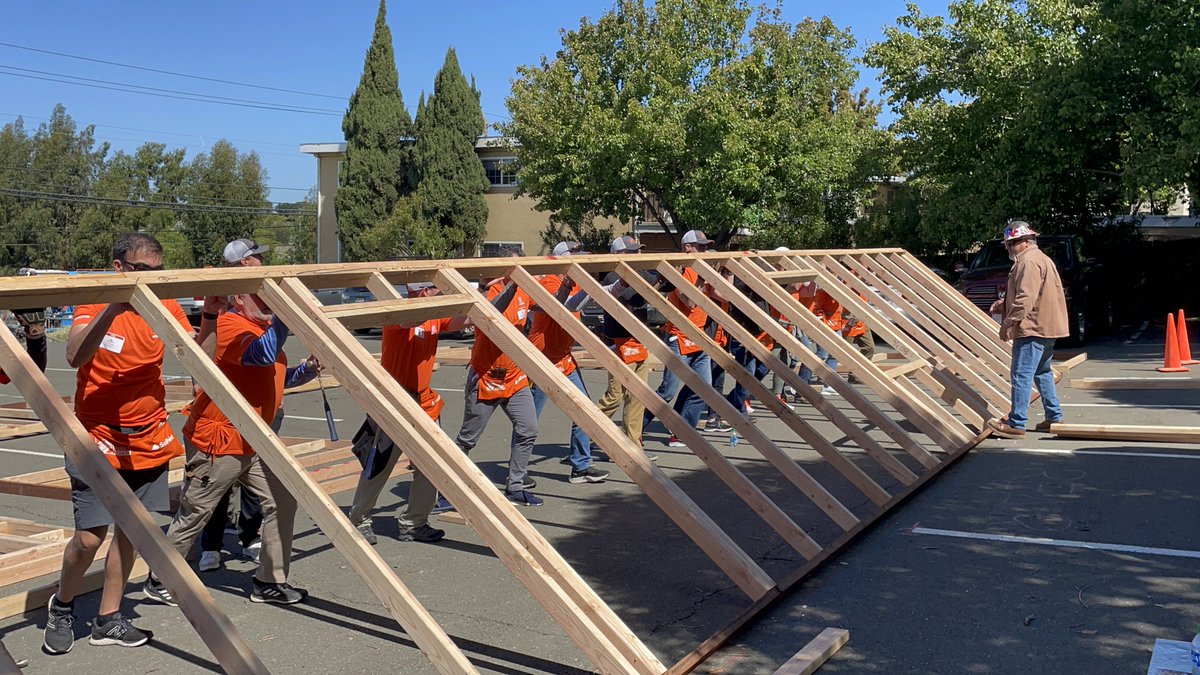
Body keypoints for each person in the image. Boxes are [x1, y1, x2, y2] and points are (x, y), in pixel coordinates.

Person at [44, 232, 213, 654]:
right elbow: (74, 356)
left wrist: (211, 315)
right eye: (143, 272)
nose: (151, 280)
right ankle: (62, 605)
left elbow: (199, 355)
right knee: (89, 537)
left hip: (149, 434)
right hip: (97, 437)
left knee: (134, 531)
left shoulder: (165, 305)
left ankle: (108, 617)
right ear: (119, 267)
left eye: (158, 272)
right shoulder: (95, 300)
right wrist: (115, 307)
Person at [144, 291, 319, 607]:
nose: (267, 302)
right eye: (259, 296)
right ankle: (160, 578)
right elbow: (261, 357)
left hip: (253, 439)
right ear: (239, 298)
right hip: (219, 440)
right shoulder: (231, 326)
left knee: (282, 500)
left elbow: (276, 377)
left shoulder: (263, 331)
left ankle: (269, 581)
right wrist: (285, 314)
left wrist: (305, 370)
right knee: (196, 512)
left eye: (270, 297)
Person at [347, 281, 473, 544]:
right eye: (436, 289)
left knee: (433, 465)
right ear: (425, 291)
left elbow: (460, 322)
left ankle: (415, 522)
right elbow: (410, 320)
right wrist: (440, 304)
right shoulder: (398, 314)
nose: (439, 292)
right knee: (380, 465)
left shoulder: (433, 316)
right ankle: (360, 519)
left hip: (423, 401)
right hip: (394, 401)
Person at [195, 238, 272, 571]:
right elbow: (260, 354)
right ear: (243, 264)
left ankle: (248, 536)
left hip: (259, 414)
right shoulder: (229, 318)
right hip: (227, 421)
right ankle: (210, 546)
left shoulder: (256, 311)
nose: (261, 262)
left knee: (258, 487)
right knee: (217, 488)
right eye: (256, 258)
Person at [453, 258, 543, 506]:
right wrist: (511, 286)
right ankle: (446, 486)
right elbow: (489, 313)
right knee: (468, 438)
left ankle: (515, 486)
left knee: (528, 429)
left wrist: (567, 286)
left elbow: (554, 305)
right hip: (486, 378)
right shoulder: (489, 291)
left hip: (514, 378)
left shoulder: (525, 289)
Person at [527, 241, 611, 484]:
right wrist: (571, 283)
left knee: (584, 410)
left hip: (564, 357)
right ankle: (517, 473)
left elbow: (580, 304)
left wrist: (609, 286)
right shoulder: (550, 280)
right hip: (542, 360)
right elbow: (558, 306)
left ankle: (581, 466)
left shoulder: (573, 282)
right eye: (576, 258)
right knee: (528, 421)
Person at [643, 230, 725, 447]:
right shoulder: (681, 271)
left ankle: (681, 430)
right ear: (687, 248)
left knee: (703, 388)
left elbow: (724, 296)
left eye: (706, 247)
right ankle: (634, 429)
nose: (705, 251)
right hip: (678, 338)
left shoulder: (701, 270)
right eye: (701, 247)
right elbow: (689, 301)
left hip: (698, 337)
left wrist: (721, 275)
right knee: (668, 391)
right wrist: (704, 278)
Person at [986, 222, 1068, 438]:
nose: (1008, 249)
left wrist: (1009, 322)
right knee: (1042, 372)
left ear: (1022, 242)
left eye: (1010, 244)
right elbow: (1034, 293)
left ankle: (1017, 423)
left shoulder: (1028, 262)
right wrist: (1004, 303)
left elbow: (1026, 297)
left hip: (1032, 328)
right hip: (1046, 326)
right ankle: (1054, 417)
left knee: (1021, 374)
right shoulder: (1040, 258)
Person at [595, 236, 654, 449]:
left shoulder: (639, 274)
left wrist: (662, 281)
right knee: (614, 396)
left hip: (637, 342)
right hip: (618, 343)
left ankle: (633, 443)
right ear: (618, 254)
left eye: (638, 251)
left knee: (638, 396)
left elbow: (655, 287)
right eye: (632, 251)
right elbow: (633, 298)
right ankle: (588, 433)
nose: (637, 255)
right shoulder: (613, 276)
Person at [795, 281, 842, 396]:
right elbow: (805, 292)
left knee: (831, 354)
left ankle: (822, 383)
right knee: (817, 355)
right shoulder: (809, 286)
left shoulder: (817, 287)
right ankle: (801, 386)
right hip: (803, 320)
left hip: (819, 321)